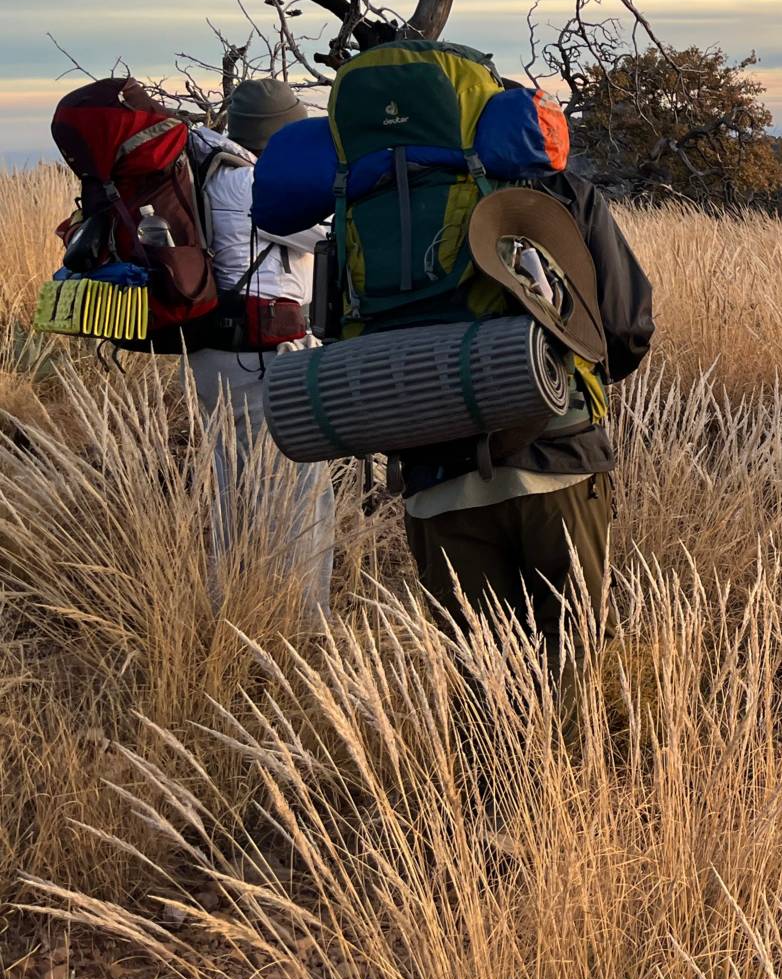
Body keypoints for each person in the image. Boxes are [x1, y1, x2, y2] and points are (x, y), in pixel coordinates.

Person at [397, 167, 654, 653]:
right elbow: (625, 330)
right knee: (572, 652)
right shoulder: (554, 189)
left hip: (433, 473)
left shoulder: (375, 191)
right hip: (556, 458)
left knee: (478, 671)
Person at [185, 78, 337, 611]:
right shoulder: (256, 184)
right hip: (262, 355)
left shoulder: (206, 177)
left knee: (235, 487)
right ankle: (300, 623)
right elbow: (330, 236)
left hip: (214, 352)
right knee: (300, 490)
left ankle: (235, 607)